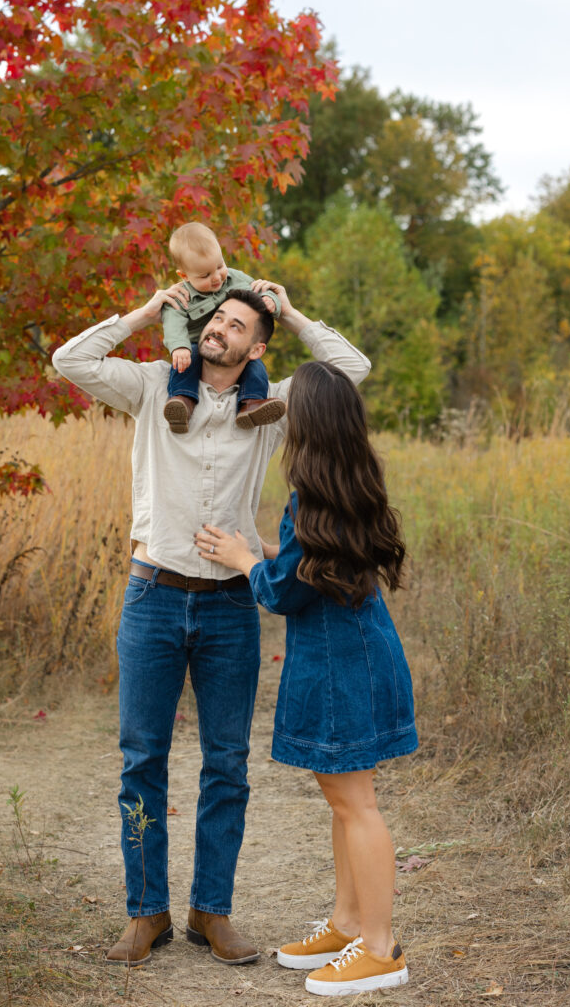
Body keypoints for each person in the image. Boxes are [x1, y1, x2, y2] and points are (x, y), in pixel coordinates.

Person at [51, 281, 371, 968]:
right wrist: (147, 312)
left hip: (231, 605)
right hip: (152, 596)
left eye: (236, 324)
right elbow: (69, 361)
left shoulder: (272, 408)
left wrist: (291, 313)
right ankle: (146, 913)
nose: (218, 328)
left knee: (227, 764)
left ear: (256, 347)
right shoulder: (152, 386)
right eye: (215, 318)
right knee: (142, 760)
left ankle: (211, 911)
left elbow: (351, 370)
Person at [194, 360, 417, 996]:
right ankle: (348, 924)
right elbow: (312, 566)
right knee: (344, 802)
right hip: (356, 655)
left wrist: (244, 560)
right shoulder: (350, 484)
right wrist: (269, 551)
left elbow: (283, 595)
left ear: (310, 426)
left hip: (342, 666)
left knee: (356, 805)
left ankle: (381, 950)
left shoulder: (312, 498)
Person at [162, 222, 285, 433]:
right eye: (205, 275)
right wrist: (179, 346)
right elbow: (173, 322)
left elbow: (260, 289)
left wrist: (271, 300)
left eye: (220, 266)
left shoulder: (236, 278)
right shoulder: (181, 295)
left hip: (231, 347)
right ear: (184, 276)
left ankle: (251, 403)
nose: (217, 277)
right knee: (185, 362)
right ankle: (182, 401)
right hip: (196, 343)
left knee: (255, 365)